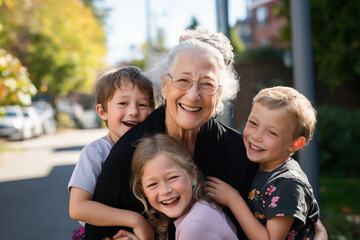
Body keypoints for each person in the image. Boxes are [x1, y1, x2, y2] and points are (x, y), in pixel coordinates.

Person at [85, 27, 327, 240]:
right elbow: (94, 231)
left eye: (207, 84)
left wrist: (316, 227)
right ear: (165, 86)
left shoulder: (239, 151)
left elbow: (283, 194)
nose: (193, 95)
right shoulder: (131, 150)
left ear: (220, 94)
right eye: (183, 80)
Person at [206, 86, 320, 239]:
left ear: (295, 144)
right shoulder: (259, 164)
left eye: (271, 132)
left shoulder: (288, 184)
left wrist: (233, 200)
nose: (257, 136)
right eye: (253, 123)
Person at [68, 66, 155, 240]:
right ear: (103, 111)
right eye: (123, 103)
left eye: (142, 104)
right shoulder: (96, 152)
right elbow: (77, 207)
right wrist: (135, 221)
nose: (133, 111)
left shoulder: (154, 150)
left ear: (152, 111)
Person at [132, 133, 238, 240]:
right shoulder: (204, 209)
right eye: (153, 184)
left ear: (192, 175)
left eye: (173, 177)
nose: (165, 190)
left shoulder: (193, 226)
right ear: (142, 190)